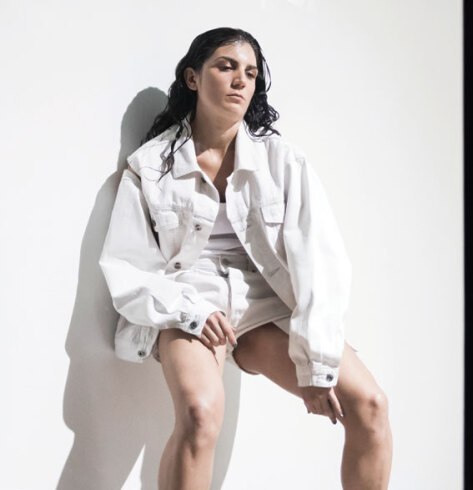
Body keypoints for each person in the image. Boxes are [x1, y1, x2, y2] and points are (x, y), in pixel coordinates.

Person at [98, 27, 392, 489]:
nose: (240, 80)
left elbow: (321, 262)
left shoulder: (283, 162)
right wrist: (192, 312)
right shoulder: (150, 167)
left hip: (264, 302)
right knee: (199, 415)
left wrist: (316, 365)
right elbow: (128, 268)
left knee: (370, 405)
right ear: (193, 78)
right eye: (226, 67)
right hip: (191, 300)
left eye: (251, 73)